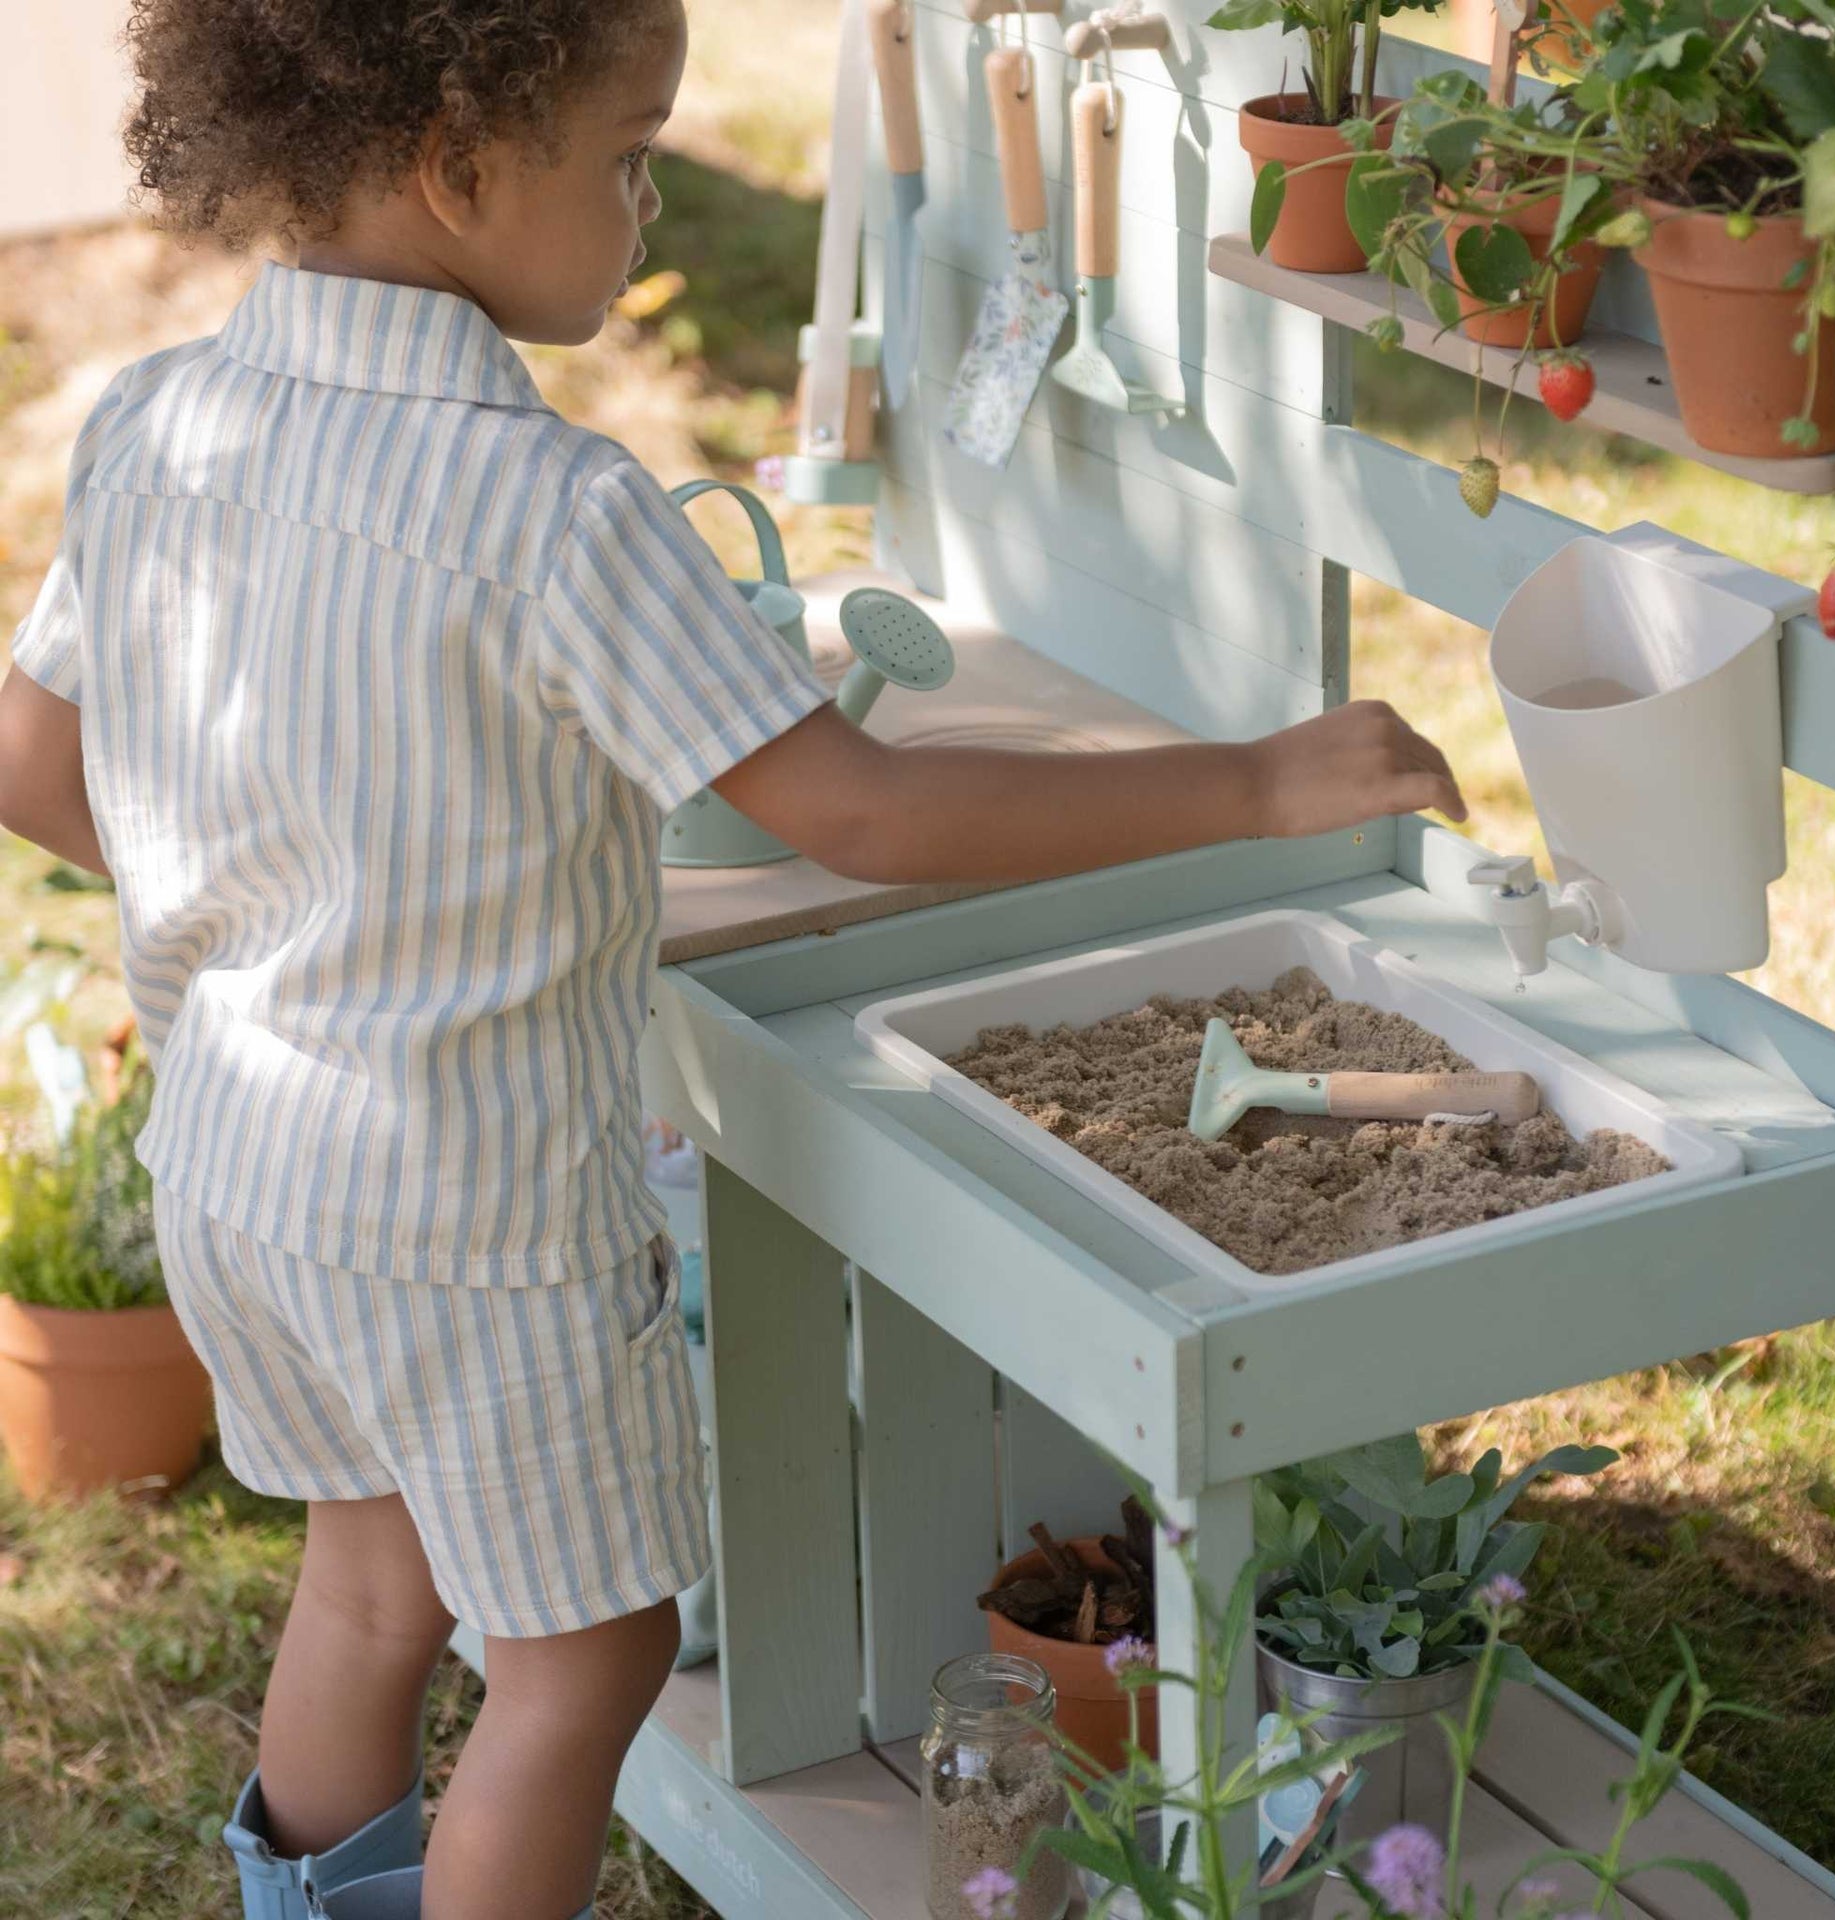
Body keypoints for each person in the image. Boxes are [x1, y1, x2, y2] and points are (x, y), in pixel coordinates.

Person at [0, 1, 1465, 1914]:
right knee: (585, 1656)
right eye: (627, 153)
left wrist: (317, 896)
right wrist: (1260, 779)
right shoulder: (558, 512)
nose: (649, 200)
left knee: (368, 1585)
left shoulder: (155, 424)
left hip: (243, 1169)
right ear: (457, 166)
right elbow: (858, 811)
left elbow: (35, 762)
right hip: (473, 1221)